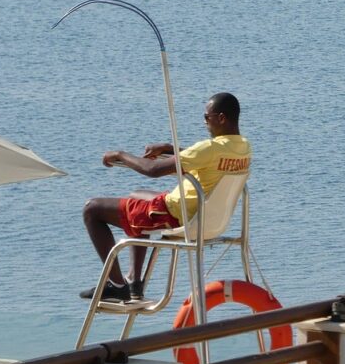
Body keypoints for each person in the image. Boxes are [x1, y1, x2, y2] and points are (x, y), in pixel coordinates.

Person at [81, 92, 251, 302]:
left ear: (222, 118)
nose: (204, 122)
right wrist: (169, 149)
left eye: (207, 117)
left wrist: (120, 155)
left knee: (92, 209)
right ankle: (134, 281)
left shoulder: (210, 147)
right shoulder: (243, 147)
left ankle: (117, 285)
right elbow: (203, 157)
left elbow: (152, 170)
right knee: (136, 196)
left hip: (174, 215)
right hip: (205, 216)